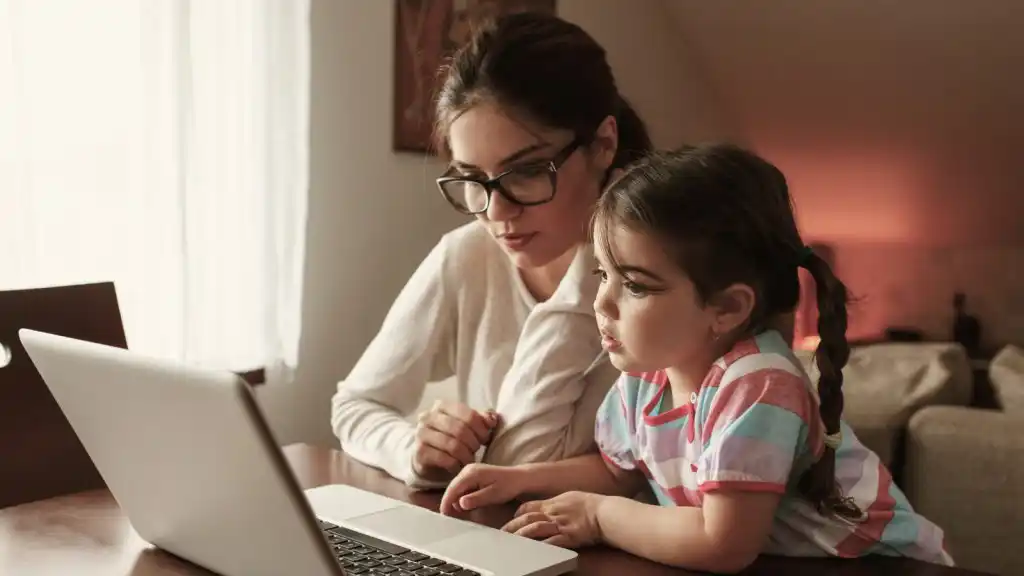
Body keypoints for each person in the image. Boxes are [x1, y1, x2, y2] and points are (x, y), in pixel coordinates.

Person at [438, 144, 953, 573]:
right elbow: (620, 472)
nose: (602, 303)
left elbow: (723, 541)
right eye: (602, 276)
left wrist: (597, 517)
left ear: (727, 308)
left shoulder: (760, 385)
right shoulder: (647, 378)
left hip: (880, 563)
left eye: (635, 285)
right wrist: (517, 479)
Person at [330, 12, 654, 488]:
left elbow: (525, 461)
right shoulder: (466, 257)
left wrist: (597, 255)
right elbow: (355, 405)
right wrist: (416, 450)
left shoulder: (664, 275)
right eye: (471, 179)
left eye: (525, 171)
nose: (497, 212)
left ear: (603, 144)